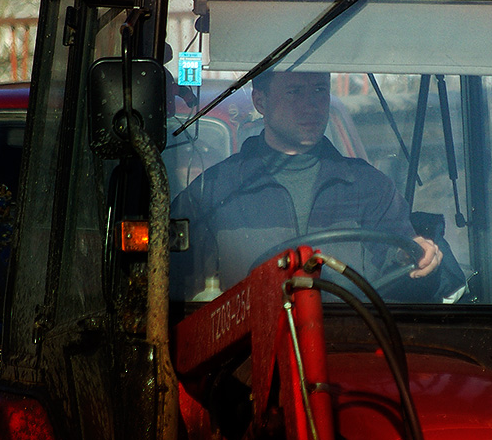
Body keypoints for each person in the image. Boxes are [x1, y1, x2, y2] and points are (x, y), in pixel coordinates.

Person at [171, 70, 448, 300]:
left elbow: (408, 286)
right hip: (245, 358)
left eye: (319, 90)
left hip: (346, 349)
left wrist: (420, 260)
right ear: (260, 102)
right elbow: (163, 278)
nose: (311, 105)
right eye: (294, 92)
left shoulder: (371, 188)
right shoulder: (212, 192)